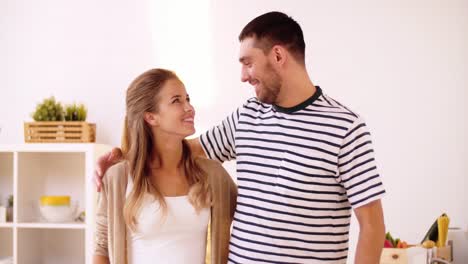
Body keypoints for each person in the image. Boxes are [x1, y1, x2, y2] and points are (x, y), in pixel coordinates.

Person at [96, 12, 386, 263]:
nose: (243, 76)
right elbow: (182, 149)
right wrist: (124, 156)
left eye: (248, 63)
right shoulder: (248, 115)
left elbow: (372, 226)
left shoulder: (344, 127)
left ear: (277, 56)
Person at [93, 68, 237, 264]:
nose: (189, 108)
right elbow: (102, 246)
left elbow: (250, 216)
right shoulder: (118, 178)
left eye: (188, 99)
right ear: (151, 117)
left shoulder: (212, 175)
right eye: (177, 101)